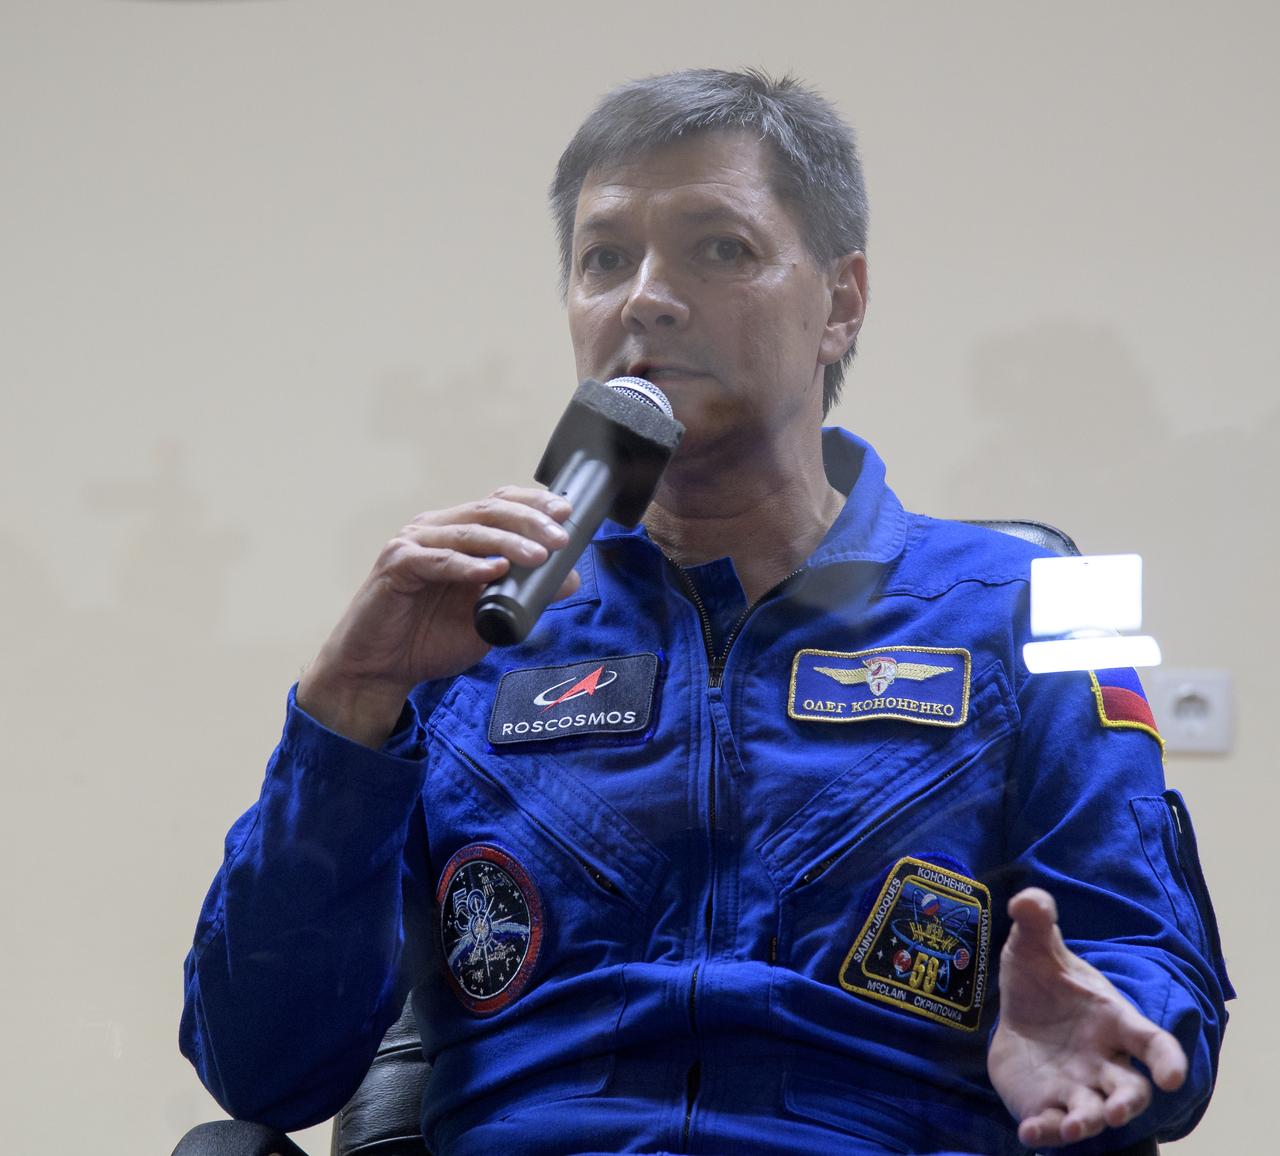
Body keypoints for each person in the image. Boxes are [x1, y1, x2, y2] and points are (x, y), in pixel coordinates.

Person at [180, 70, 1233, 1155]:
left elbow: (1136, 951)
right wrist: (347, 708)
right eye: (602, 260)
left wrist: (1111, 1033)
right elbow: (262, 1067)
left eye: (717, 248)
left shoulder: (1032, 606)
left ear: (841, 302)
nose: (644, 297)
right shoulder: (468, 628)